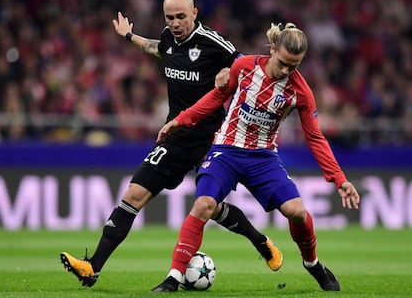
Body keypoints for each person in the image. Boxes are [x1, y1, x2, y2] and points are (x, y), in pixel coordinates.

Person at [59, 0, 283, 288]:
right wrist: (129, 36)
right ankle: (92, 267)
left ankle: (260, 241)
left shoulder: (213, 42)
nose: (175, 23)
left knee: (209, 206)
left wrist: (228, 70)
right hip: (175, 134)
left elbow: (246, 64)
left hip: (211, 139)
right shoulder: (168, 37)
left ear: (194, 13)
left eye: (181, 17)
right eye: (170, 18)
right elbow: (157, 48)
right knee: (133, 195)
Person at [153, 22, 361, 292]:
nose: (286, 70)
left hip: (263, 157)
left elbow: (315, 137)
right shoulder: (245, 67)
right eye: (284, 62)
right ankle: (173, 278)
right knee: (203, 204)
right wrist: (180, 120)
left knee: (297, 212)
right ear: (273, 49)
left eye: (294, 66)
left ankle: (313, 264)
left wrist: (339, 178)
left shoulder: (301, 91)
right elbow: (216, 98)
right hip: (226, 150)